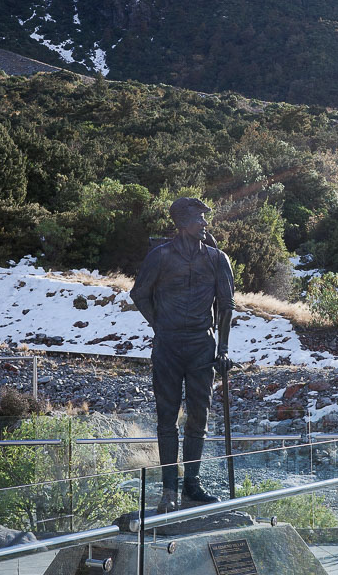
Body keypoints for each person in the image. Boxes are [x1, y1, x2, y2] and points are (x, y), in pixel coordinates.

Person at [130, 197, 234, 511]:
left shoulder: (217, 259)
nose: (205, 224)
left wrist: (224, 348)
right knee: (167, 419)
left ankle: (193, 484)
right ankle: (169, 490)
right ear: (182, 222)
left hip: (203, 345)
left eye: (205, 218)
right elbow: (139, 294)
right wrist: (159, 324)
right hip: (168, 346)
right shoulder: (159, 256)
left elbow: (226, 308)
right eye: (199, 218)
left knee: (199, 417)